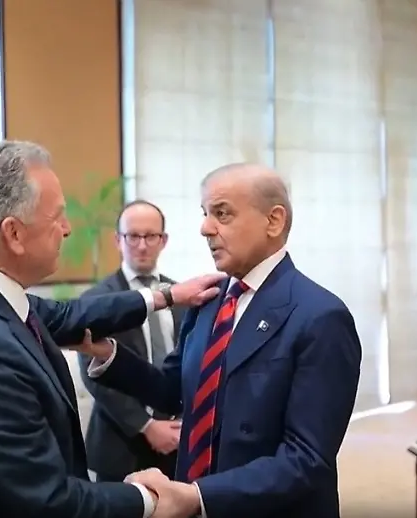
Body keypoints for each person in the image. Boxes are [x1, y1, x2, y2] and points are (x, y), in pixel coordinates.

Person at [0, 141, 226, 518]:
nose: (67, 230)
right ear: (13, 234)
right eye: (57, 217)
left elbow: (69, 316)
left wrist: (166, 296)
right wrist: (151, 498)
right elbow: (46, 501)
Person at [83, 163, 362, 518]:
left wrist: (198, 496)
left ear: (273, 221)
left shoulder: (320, 316)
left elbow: (306, 458)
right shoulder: (208, 300)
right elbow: (172, 390)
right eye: (205, 213)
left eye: (222, 213)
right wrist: (110, 354)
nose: (205, 228)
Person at [78, 200, 184, 481]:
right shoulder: (97, 300)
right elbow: (94, 374)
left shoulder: (182, 295)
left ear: (163, 240)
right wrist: (146, 425)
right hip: (120, 444)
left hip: (178, 443)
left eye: (151, 236)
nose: (142, 245)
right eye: (133, 236)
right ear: (118, 240)